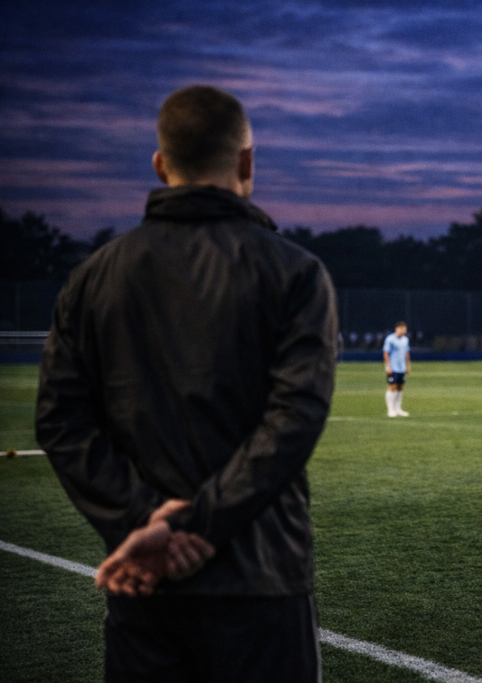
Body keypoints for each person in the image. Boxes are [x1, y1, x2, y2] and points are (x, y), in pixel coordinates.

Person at [35, 85, 337, 683]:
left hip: (144, 582)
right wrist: (194, 525)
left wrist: (144, 524)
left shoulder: (92, 277)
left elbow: (60, 421)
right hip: (260, 577)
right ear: (247, 162)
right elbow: (293, 418)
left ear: (160, 164)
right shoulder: (295, 273)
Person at [383, 321, 411, 417]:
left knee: (400, 387)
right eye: (403, 329)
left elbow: (406, 353)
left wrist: (408, 366)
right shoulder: (390, 339)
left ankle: (398, 408)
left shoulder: (405, 340)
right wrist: (388, 367)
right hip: (393, 367)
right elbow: (386, 353)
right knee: (392, 387)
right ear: (397, 329)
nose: (404, 331)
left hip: (401, 368)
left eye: (405, 330)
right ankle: (390, 410)